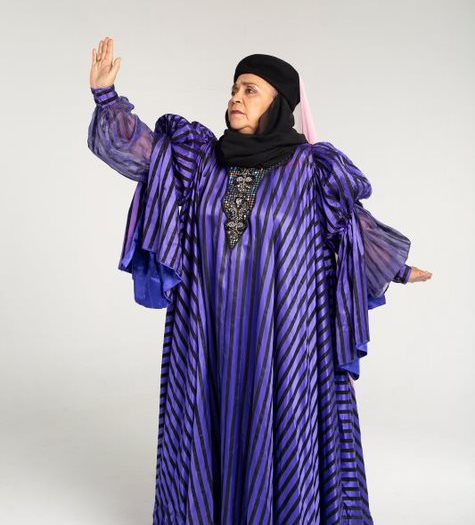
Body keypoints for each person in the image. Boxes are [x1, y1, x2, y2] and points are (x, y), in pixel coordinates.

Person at [87, 36, 432, 525]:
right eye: (234, 89)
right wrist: (106, 96)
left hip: (283, 339)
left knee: (283, 422)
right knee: (205, 419)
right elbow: (141, 152)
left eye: (250, 90)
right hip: (206, 333)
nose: (236, 97)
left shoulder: (312, 170)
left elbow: (353, 228)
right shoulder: (199, 161)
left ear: (279, 104)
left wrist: (398, 268)